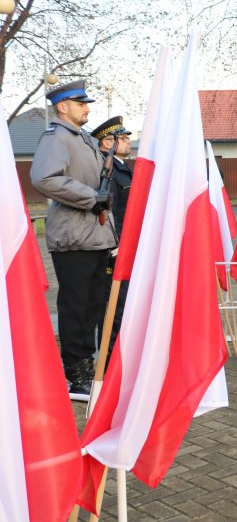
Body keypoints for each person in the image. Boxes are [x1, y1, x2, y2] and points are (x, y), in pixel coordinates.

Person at [30, 80, 116, 397]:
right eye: (81, 104)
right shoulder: (57, 138)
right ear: (63, 106)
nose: (87, 108)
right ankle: (73, 373)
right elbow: (44, 178)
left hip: (94, 236)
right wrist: (90, 197)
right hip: (73, 237)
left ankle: (84, 366)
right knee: (76, 307)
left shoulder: (83, 140)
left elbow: (103, 192)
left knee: (92, 306)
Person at [91, 116, 133, 362]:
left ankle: (119, 357)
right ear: (107, 143)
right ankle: (108, 362)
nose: (128, 142)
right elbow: (111, 212)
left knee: (124, 305)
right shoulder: (108, 171)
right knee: (112, 308)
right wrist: (116, 247)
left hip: (128, 247)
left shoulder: (124, 168)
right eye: (123, 138)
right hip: (116, 249)